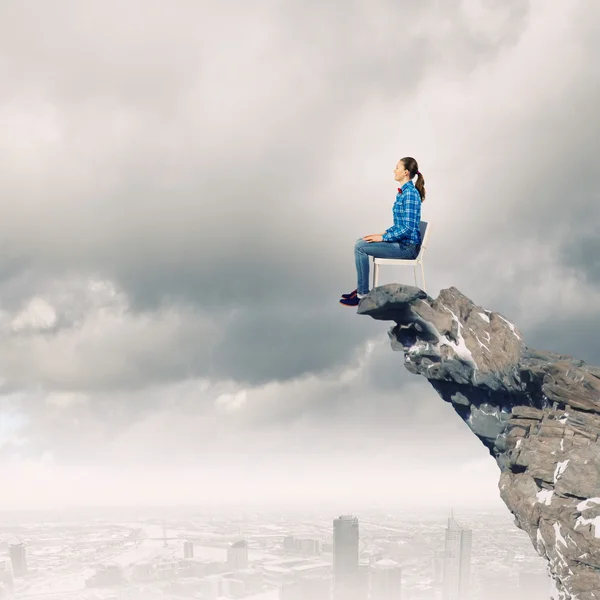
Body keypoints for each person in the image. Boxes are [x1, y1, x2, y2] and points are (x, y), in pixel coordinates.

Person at [339, 157, 425, 307]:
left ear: (405, 172)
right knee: (362, 241)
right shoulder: (403, 192)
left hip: (407, 248)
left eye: (397, 167)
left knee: (360, 248)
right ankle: (361, 289)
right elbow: (399, 225)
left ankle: (362, 294)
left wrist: (384, 238)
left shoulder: (410, 194)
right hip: (402, 243)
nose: (394, 170)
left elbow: (407, 229)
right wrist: (382, 234)